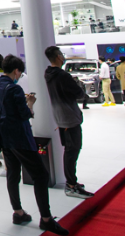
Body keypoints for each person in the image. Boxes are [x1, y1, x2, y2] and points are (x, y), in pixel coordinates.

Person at [0, 55, 68, 235]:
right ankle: (46, 218)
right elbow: (25, 114)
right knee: (41, 175)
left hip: (5, 136)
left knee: (13, 173)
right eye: (19, 72)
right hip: (20, 137)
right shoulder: (15, 88)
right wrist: (30, 104)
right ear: (16, 70)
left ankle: (18, 212)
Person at [43, 47, 94, 199]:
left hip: (61, 117)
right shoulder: (62, 75)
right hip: (69, 117)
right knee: (72, 151)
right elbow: (79, 93)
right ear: (59, 57)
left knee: (70, 150)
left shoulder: (48, 74)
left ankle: (72, 182)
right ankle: (71, 185)